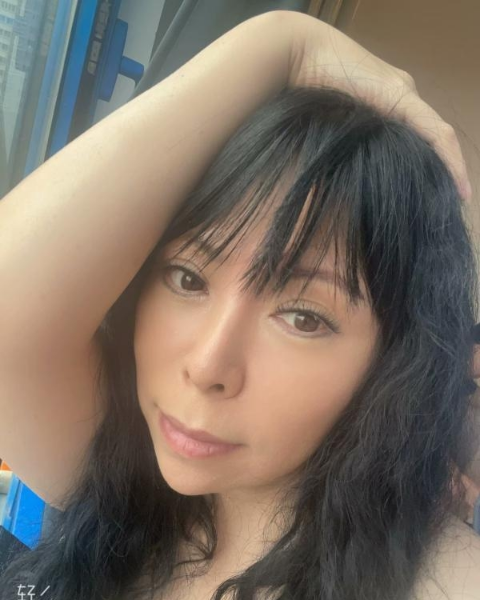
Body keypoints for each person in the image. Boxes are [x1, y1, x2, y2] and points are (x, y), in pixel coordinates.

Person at [0, 9, 478, 600]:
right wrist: (282, 42)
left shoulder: (440, 582)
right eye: (187, 278)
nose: (207, 366)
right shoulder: (122, 477)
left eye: (303, 317)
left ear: (393, 363)